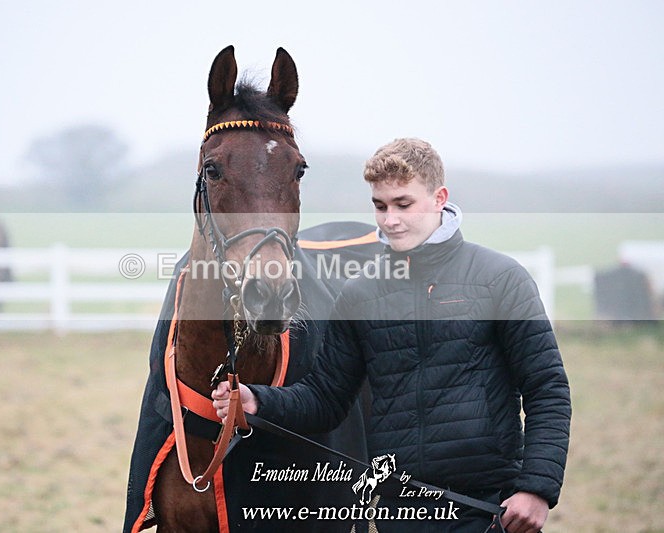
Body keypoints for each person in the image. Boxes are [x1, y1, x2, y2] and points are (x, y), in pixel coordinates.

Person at [213, 138, 571, 532]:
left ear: (439, 198)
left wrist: (536, 489)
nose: (390, 220)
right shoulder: (360, 293)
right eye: (380, 206)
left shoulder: (499, 279)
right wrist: (258, 400)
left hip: (485, 507)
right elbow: (325, 398)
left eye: (403, 204)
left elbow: (547, 388)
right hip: (399, 510)